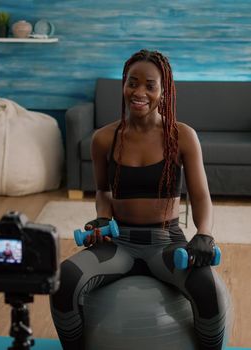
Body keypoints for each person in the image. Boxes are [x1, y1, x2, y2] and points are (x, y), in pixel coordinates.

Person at [50, 49, 233, 350]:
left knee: (208, 289)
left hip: (166, 243)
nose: (139, 92)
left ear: (164, 91)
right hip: (118, 243)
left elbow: (200, 197)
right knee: (63, 281)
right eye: (132, 82)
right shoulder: (104, 139)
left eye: (150, 85)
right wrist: (102, 218)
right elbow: (103, 191)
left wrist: (204, 234)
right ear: (123, 84)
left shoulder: (182, 136)